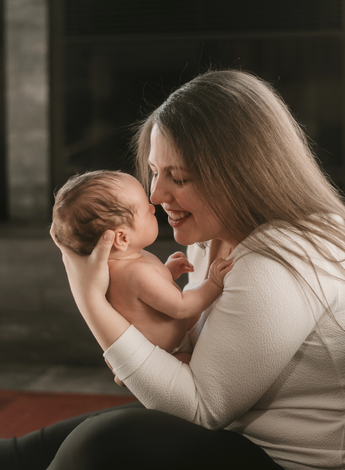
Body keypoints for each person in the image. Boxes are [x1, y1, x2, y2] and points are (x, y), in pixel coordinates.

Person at [1, 69, 345, 470]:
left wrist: (89, 298)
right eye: (155, 171)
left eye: (178, 177)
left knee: (104, 444)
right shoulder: (213, 237)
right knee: (22, 454)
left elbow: (200, 409)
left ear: (240, 175)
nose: (156, 195)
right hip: (233, 436)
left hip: (286, 461)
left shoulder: (281, 263)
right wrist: (150, 355)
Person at [52, 170, 232, 361]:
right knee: (193, 367)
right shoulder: (135, 273)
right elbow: (181, 307)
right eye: (146, 210)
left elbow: (147, 297)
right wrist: (213, 283)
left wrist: (166, 271)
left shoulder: (126, 263)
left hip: (170, 342)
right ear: (122, 238)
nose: (153, 207)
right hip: (166, 354)